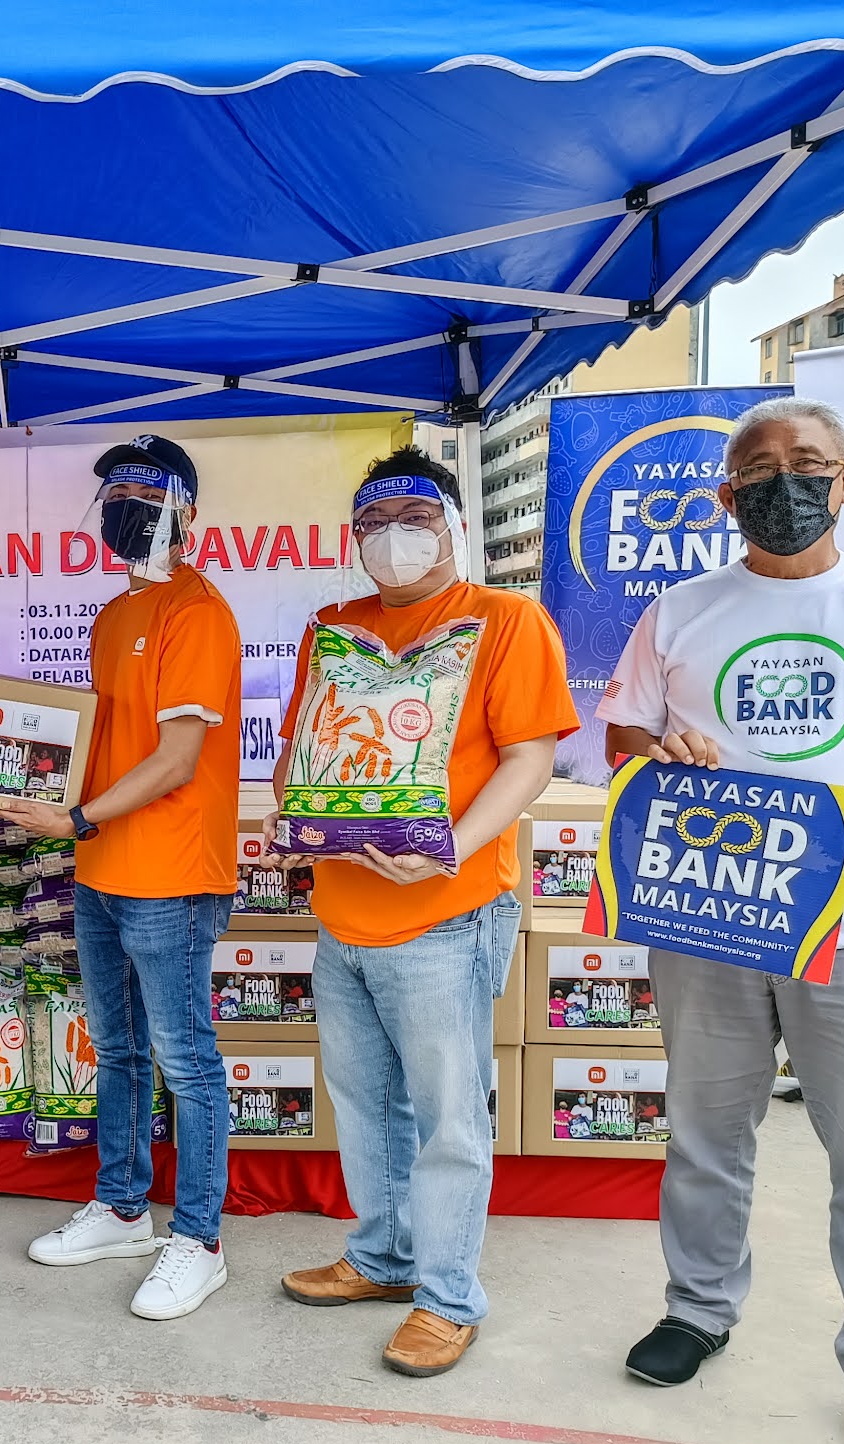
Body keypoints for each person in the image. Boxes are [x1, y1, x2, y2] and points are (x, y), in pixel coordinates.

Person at [597, 396, 844, 1444]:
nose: (783, 483)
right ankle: (697, 1308)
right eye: (757, 470)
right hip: (711, 913)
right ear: (726, 497)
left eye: (806, 463)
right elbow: (621, 736)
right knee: (704, 1133)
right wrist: (657, 749)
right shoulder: (678, 610)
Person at [267, 447, 576, 1375]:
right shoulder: (335, 629)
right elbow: (300, 753)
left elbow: (530, 759)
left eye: (416, 519)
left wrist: (451, 848)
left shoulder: (504, 620)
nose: (394, 538)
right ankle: (382, 1257)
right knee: (365, 1105)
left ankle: (447, 1298)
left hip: (447, 913)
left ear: (454, 528)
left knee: (448, 1118)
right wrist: (296, 812)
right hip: (342, 914)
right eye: (375, 523)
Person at [10, 435, 243, 1321]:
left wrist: (73, 818)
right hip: (103, 867)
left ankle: (200, 1240)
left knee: (186, 1060)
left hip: (171, 873)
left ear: (187, 513)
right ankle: (120, 1208)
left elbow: (178, 759)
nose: (126, 510)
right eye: (115, 496)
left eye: (147, 496)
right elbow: (103, 745)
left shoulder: (198, 611)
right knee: (117, 1050)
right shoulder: (114, 615)